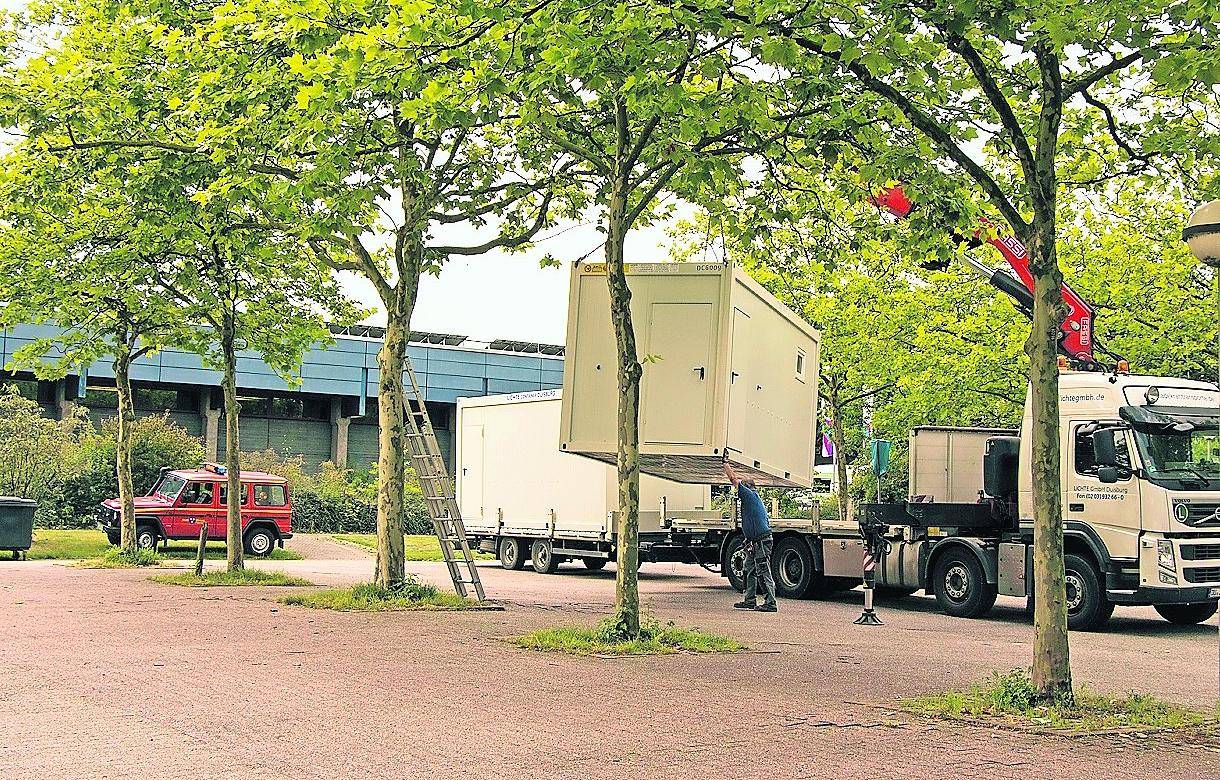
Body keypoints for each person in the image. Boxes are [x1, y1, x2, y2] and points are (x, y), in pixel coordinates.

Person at [723, 460, 777, 612]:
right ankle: (749, 600)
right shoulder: (755, 499)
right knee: (749, 569)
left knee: (763, 570)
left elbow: (733, 480)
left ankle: (770, 603)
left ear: (747, 488)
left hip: (760, 542)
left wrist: (725, 464)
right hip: (755, 541)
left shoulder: (749, 496)